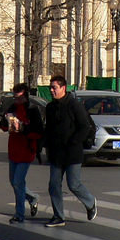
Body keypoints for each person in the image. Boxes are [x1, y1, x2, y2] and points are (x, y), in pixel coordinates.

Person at [42, 75, 96, 228]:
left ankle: (90, 202)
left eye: (54, 88)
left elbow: (85, 126)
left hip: (72, 153)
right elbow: (48, 129)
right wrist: (42, 144)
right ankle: (58, 216)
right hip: (56, 153)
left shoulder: (74, 105)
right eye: (50, 88)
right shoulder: (50, 107)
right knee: (54, 185)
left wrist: (74, 141)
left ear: (63, 88)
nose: (51, 90)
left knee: (74, 184)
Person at [0, 82, 44, 224]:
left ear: (26, 97)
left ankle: (19, 214)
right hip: (13, 149)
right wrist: (6, 121)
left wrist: (23, 128)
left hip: (27, 150)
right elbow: (3, 126)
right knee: (14, 182)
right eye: (15, 98)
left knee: (18, 181)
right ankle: (32, 198)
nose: (17, 101)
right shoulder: (12, 107)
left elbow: (38, 131)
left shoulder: (33, 110)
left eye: (19, 98)